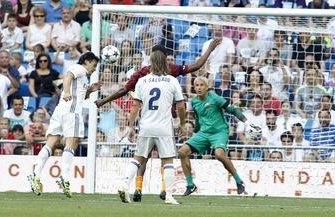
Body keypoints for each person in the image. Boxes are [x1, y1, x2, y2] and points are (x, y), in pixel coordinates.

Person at [27, 52, 101, 198]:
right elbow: (67, 77)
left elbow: (79, 95)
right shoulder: (79, 68)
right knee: (72, 142)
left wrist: (90, 91)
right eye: (94, 64)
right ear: (87, 61)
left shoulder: (83, 76)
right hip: (71, 111)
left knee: (51, 143)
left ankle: (35, 174)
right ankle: (64, 177)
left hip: (60, 110)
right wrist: (66, 91)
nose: (95, 68)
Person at [118, 50, 186, 205]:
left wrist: (130, 128)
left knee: (138, 158)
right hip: (164, 127)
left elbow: (135, 106)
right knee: (168, 160)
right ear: (165, 63)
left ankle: (124, 185)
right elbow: (181, 105)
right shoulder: (171, 80)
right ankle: (168, 196)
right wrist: (182, 123)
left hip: (146, 126)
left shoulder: (142, 81)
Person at [178, 77, 259, 196]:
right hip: (204, 133)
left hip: (219, 132)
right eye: (197, 85)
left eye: (201, 85)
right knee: (182, 152)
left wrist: (247, 123)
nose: (199, 87)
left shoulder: (214, 97)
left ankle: (239, 181)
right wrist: (190, 130)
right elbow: (199, 120)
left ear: (206, 87)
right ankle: (190, 185)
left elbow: (232, 109)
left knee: (219, 154)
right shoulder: (194, 102)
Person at [95, 40, 222, 108]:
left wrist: (104, 100)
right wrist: (209, 50)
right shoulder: (171, 70)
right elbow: (196, 66)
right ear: (165, 57)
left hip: (148, 115)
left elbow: (123, 90)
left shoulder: (143, 72)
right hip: (164, 115)